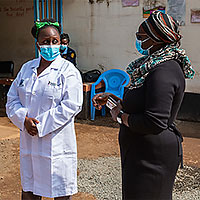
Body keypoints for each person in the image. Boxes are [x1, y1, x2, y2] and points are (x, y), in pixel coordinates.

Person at [92, 11, 195, 200]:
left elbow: (155, 121)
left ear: (155, 38)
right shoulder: (151, 66)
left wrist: (120, 116)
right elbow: (142, 103)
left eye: (140, 37)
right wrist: (112, 99)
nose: (138, 41)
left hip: (152, 157)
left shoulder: (164, 71)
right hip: (140, 152)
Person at [6, 18, 83, 200]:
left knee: (60, 191)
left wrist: (40, 125)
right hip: (29, 141)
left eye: (54, 41)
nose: (51, 45)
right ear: (38, 44)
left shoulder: (68, 71)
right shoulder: (27, 68)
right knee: (29, 190)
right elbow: (12, 99)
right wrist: (23, 119)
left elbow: (72, 105)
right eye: (46, 41)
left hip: (56, 142)